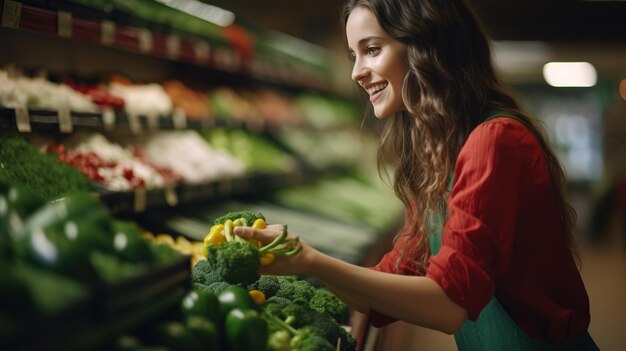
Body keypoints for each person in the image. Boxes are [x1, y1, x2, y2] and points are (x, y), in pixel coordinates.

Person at [235, 0, 599, 349]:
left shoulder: (495, 140)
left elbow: (448, 306)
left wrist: (312, 260)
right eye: (353, 55)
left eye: (372, 49)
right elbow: (388, 286)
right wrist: (299, 262)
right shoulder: (442, 154)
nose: (356, 72)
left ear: (425, 45)